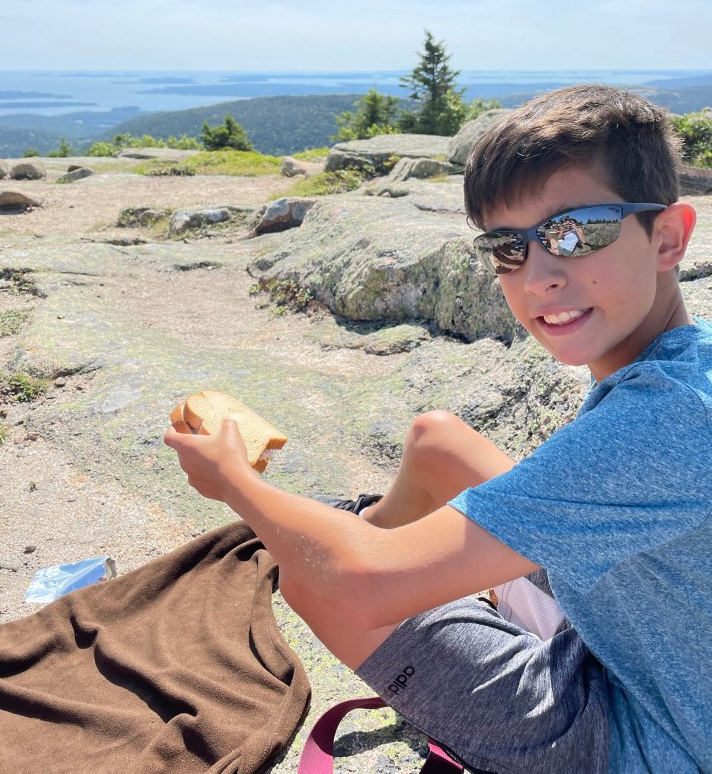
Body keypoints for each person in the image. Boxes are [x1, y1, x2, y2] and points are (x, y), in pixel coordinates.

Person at [164, 85, 711, 774]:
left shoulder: (661, 422)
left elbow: (355, 587)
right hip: (651, 642)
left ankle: (395, 557)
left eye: (575, 232)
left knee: (316, 581)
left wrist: (236, 484)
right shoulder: (685, 366)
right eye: (508, 248)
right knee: (437, 440)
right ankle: (392, 545)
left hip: (647, 736)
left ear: (667, 237)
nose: (538, 277)